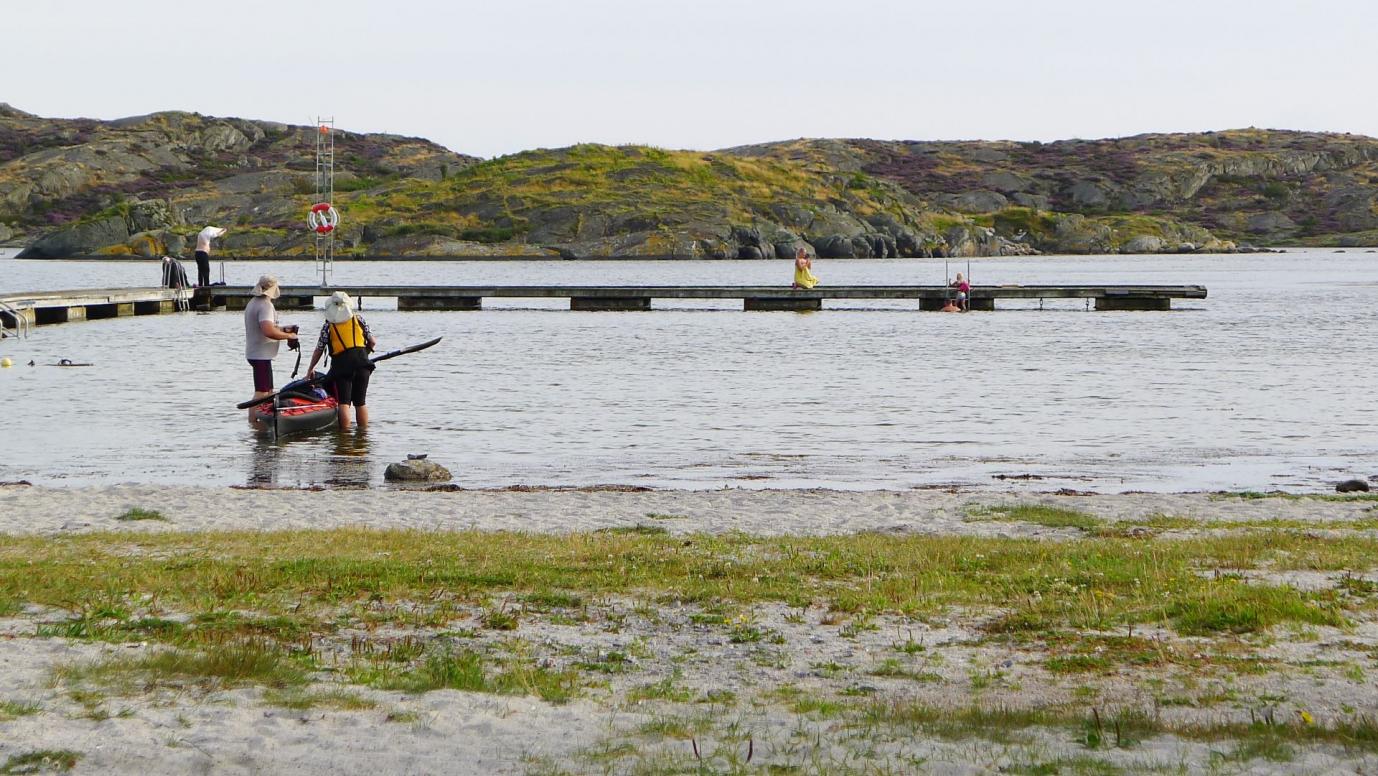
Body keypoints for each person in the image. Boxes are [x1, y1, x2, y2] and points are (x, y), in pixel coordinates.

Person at [306, 291, 378, 431]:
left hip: (342, 366)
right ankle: (363, 435)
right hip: (363, 364)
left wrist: (310, 370)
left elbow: (319, 350)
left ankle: (344, 436)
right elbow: (373, 342)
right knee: (360, 402)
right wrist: (365, 354)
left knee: (344, 403)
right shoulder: (359, 319)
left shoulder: (328, 326)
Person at [244, 275, 299, 417]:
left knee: (268, 391)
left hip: (256, 353)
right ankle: (254, 422)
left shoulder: (253, 302)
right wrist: (289, 336)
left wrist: (282, 329)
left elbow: (266, 327)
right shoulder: (265, 305)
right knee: (262, 392)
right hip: (260, 355)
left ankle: (264, 421)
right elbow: (268, 330)